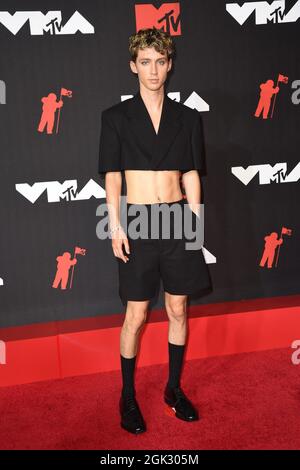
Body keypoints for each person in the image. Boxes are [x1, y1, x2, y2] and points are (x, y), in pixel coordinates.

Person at [98, 27, 212, 434]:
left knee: (179, 308)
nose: (153, 70)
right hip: (138, 222)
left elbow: (192, 175)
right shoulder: (115, 118)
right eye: (145, 62)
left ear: (169, 66)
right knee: (137, 313)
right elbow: (113, 178)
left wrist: (195, 224)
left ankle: (173, 389)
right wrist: (115, 225)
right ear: (134, 66)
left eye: (160, 62)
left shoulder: (187, 118)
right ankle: (127, 397)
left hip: (178, 220)